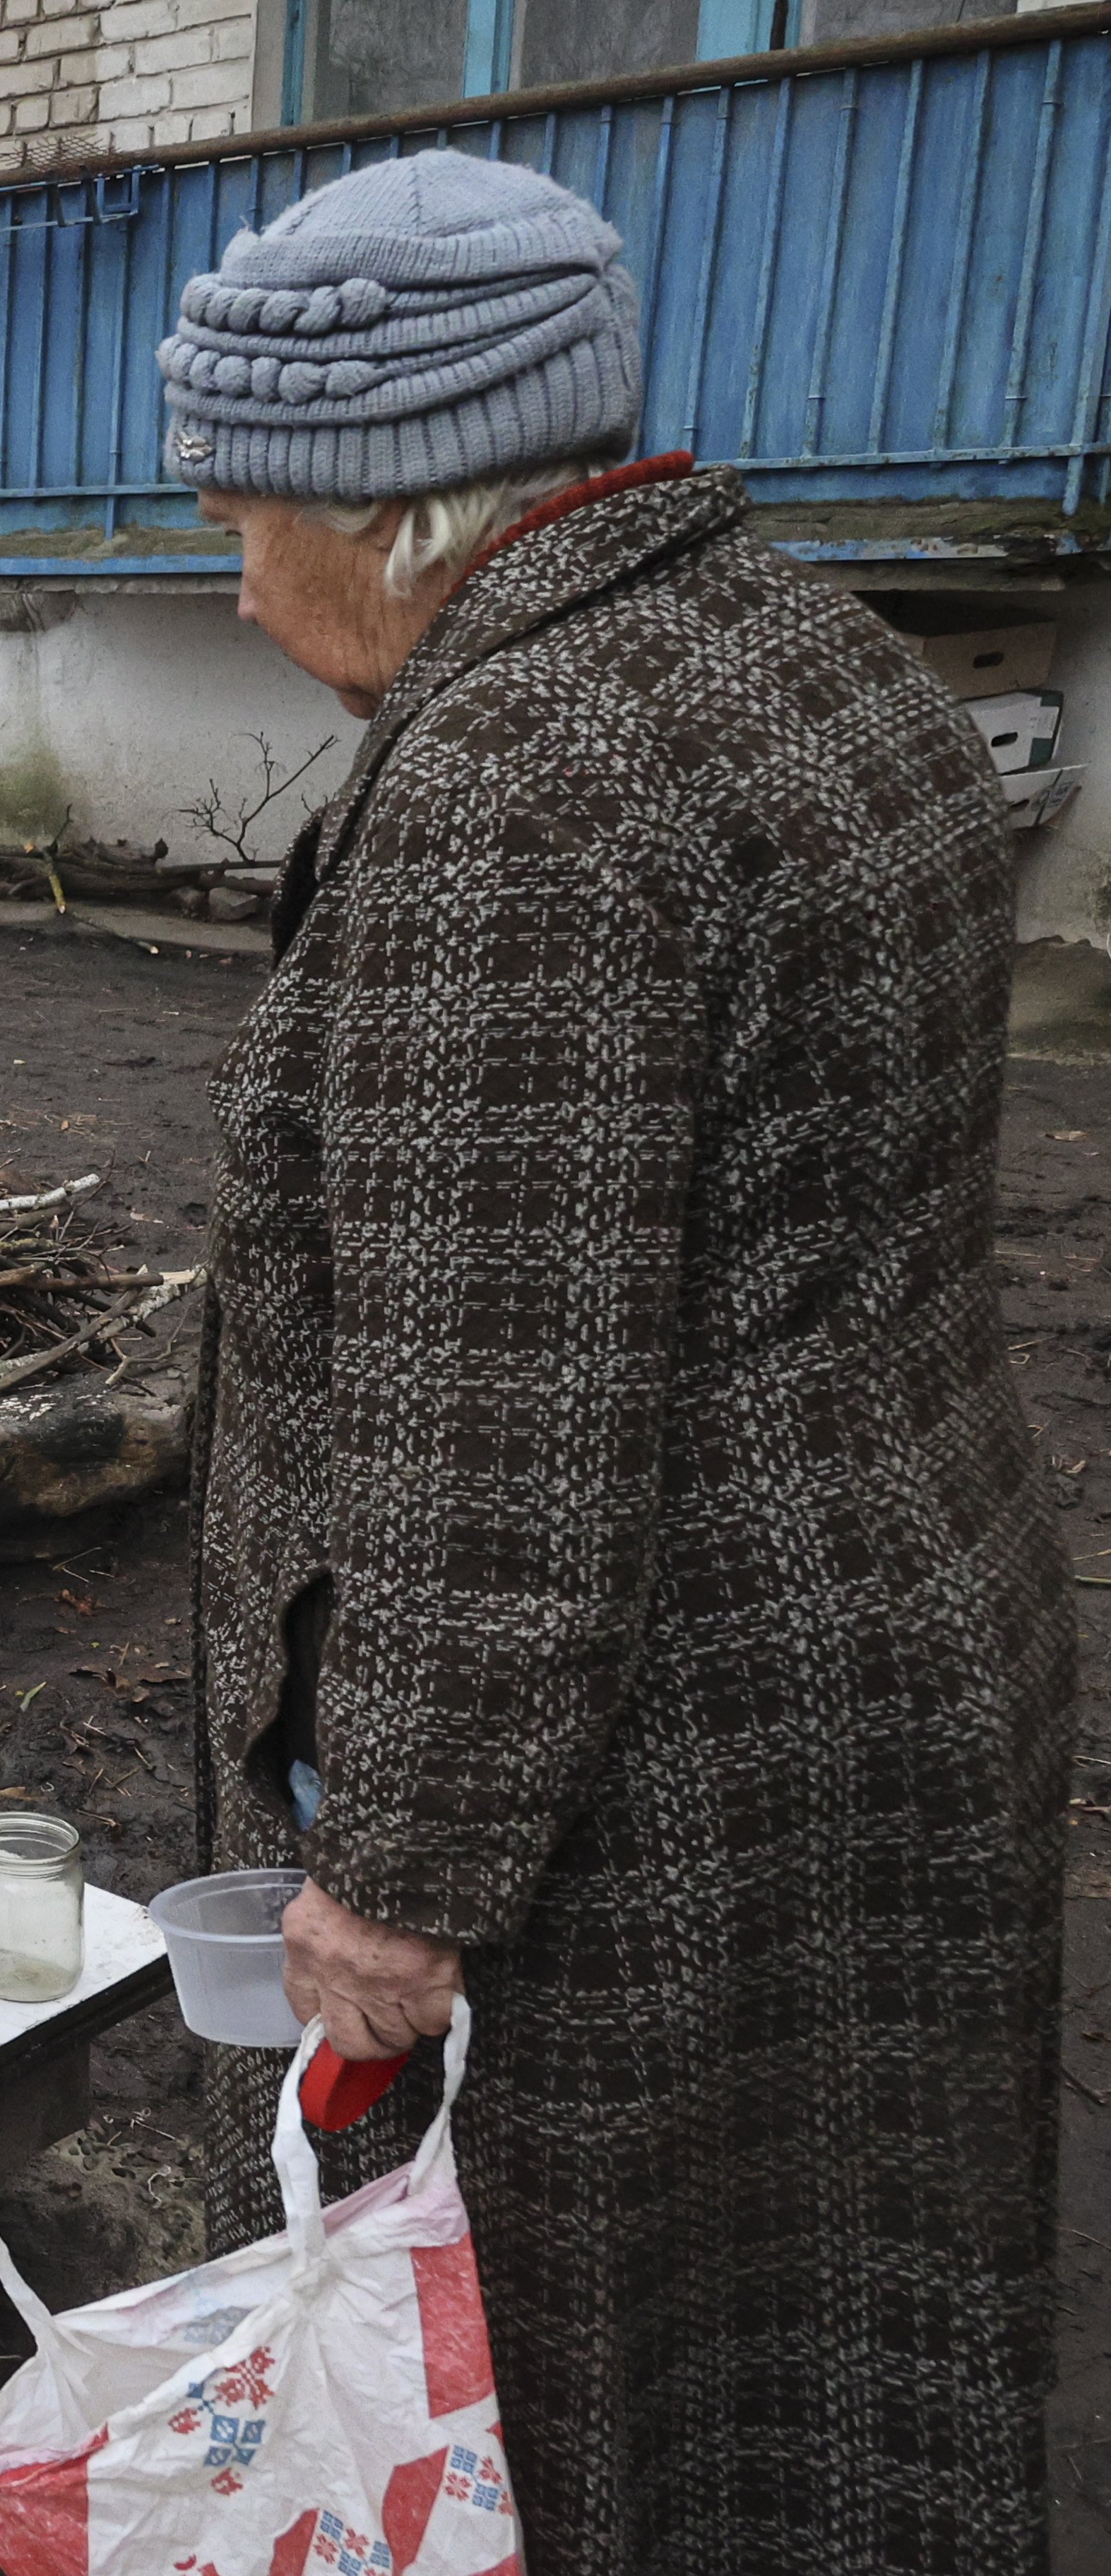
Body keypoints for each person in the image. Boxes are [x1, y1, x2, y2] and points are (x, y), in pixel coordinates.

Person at [167, 150, 1071, 2576]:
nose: (238, 582)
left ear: (418, 499)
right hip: (898, 1657)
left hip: (643, 1782)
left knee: (578, 2395)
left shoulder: (517, 795)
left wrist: (403, 1871)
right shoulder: (818, 646)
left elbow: (508, 1428)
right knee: (830, 2341)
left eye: (255, 514)